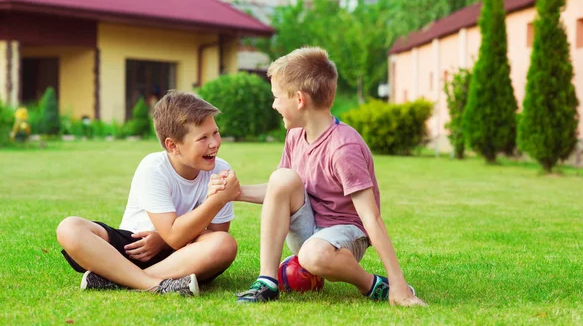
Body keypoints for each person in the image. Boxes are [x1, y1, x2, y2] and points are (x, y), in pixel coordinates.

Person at [209, 47, 426, 306]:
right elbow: (280, 192)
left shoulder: (343, 148)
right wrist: (236, 192)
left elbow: (372, 218)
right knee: (282, 177)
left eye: (277, 97)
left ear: (299, 100)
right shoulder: (295, 135)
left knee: (313, 255)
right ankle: (267, 281)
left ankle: (373, 284)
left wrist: (399, 284)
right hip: (309, 226)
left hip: (346, 233)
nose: (274, 105)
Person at [57, 90, 240, 296]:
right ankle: (153, 284)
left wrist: (163, 240)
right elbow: (172, 234)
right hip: (134, 246)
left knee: (224, 244)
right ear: (172, 146)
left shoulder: (219, 169)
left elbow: (215, 233)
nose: (214, 143)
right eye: (203, 138)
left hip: (182, 256)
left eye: (215, 132)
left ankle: (118, 279)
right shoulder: (154, 167)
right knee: (69, 228)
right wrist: (216, 200)